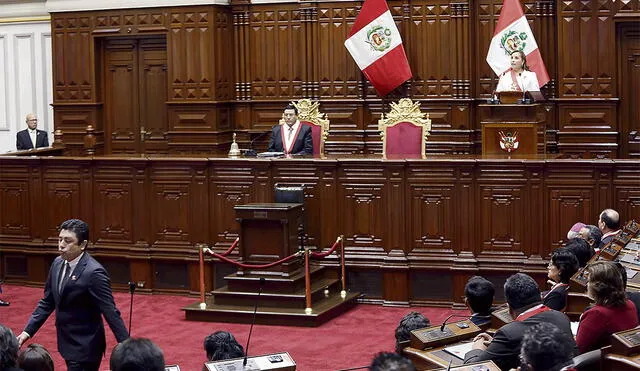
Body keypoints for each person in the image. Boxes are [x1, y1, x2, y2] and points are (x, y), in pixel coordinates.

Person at [17, 218, 129, 371]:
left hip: (85, 346)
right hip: (65, 341)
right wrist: (27, 332)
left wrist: (128, 348)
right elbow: (47, 302)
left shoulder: (94, 273)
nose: (61, 244)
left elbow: (110, 311)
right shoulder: (57, 263)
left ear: (82, 244)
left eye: (68, 241)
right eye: (60, 239)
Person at [463, 273, 575, 371]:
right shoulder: (561, 317)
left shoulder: (509, 333)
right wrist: (496, 345)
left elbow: (473, 368)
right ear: (540, 296)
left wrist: (477, 348)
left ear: (509, 309)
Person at [576, 261, 638, 353]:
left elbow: (578, 349)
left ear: (597, 287)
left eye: (588, 281)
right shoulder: (630, 304)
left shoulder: (597, 314)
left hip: (595, 364)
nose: (586, 284)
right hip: (618, 361)